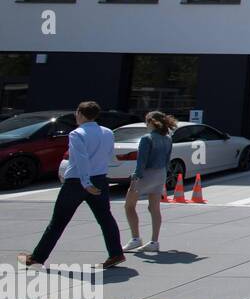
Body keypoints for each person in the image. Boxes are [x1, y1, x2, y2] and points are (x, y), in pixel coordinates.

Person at [18, 101, 125, 269]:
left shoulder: (77, 133)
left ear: (80, 114)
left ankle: (37, 257)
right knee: (105, 218)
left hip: (77, 182)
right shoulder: (107, 132)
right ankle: (116, 253)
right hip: (100, 179)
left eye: (76, 113)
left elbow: (80, 159)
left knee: (58, 221)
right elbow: (110, 155)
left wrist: (86, 182)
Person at [124, 111, 177, 255]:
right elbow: (167, 160)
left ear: (150, 122)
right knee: (154, 209)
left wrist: (135, 177)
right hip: (160, 174)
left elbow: (141, 162)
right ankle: (154, 241)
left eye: (146, 122)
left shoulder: (147, 139)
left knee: (129, 206)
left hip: (146, 174)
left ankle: (135, 238)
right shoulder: (167, 139)